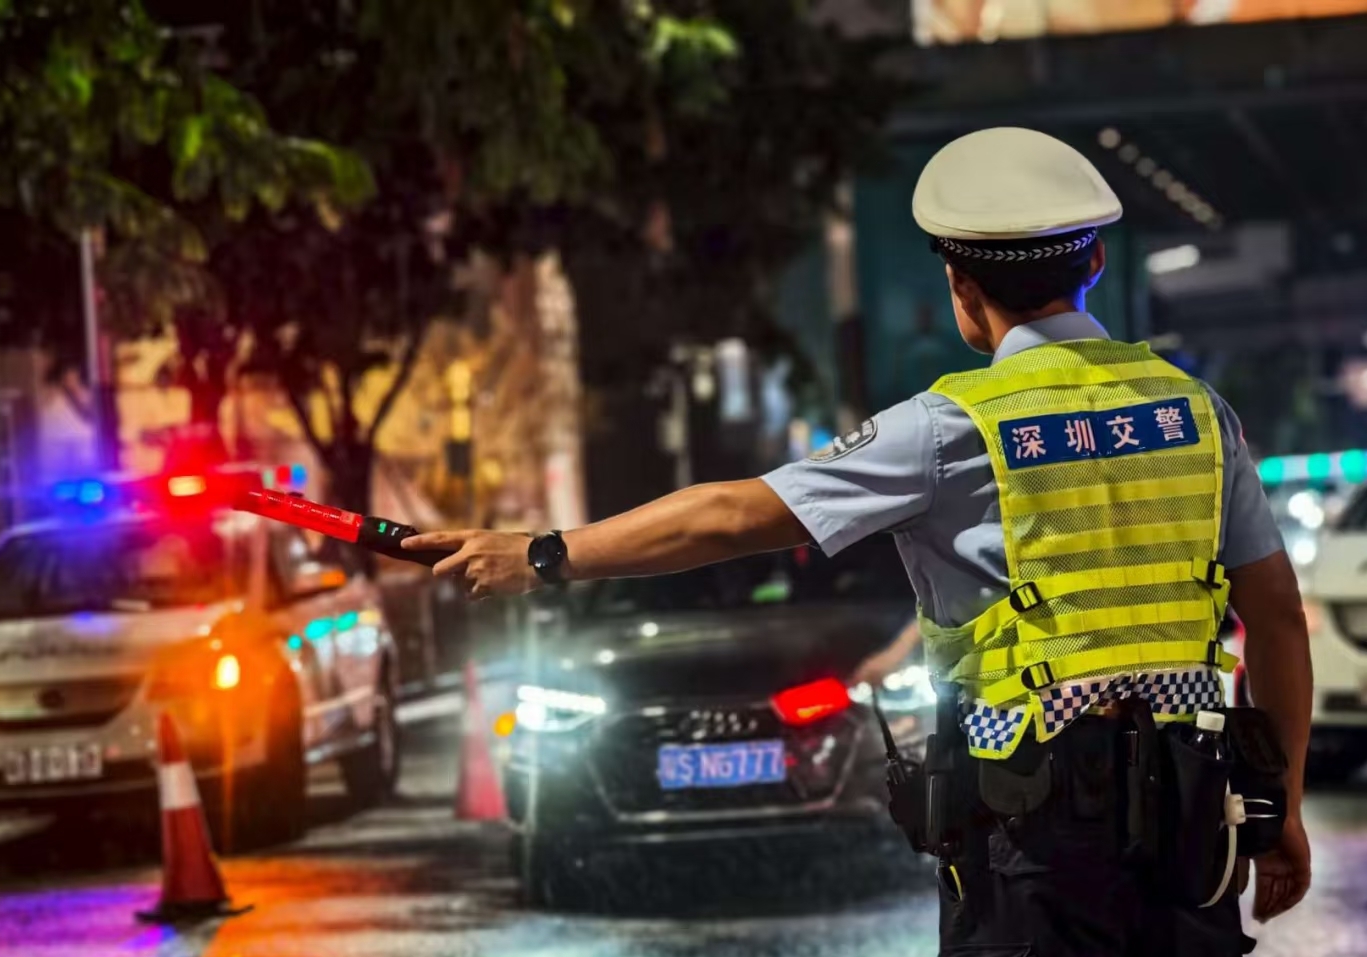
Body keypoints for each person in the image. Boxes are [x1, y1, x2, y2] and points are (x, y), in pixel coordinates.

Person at [401, 127, 1312, 955]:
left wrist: (544, 553)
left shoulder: (949, 428)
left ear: (960, 287)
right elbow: (1275, 621)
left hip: (1032, 835)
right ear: (1097, 262)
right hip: (1191, 822)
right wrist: (1278, 811)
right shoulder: (1197, 413)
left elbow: (730, 514)